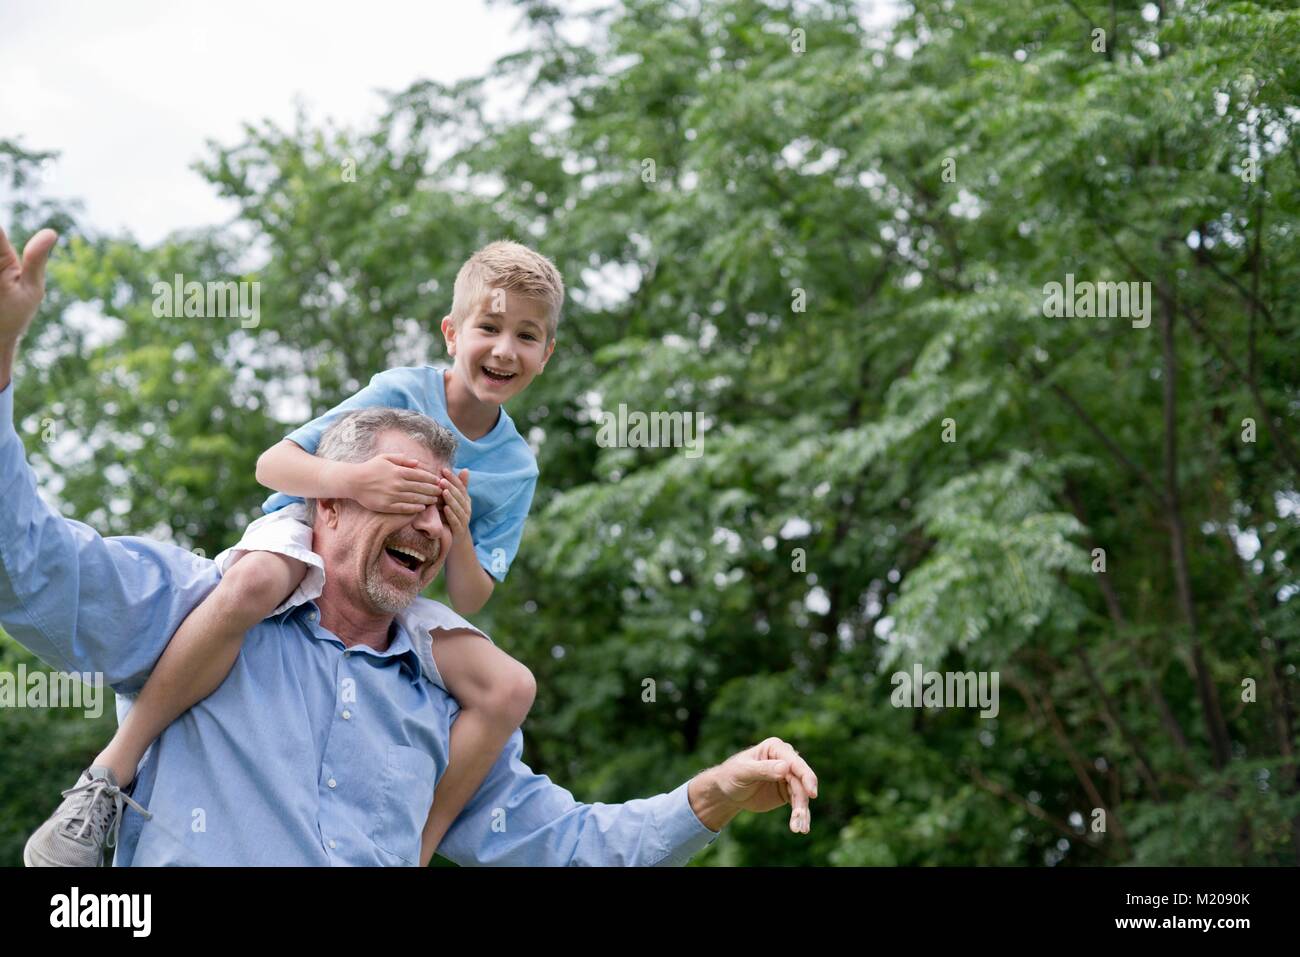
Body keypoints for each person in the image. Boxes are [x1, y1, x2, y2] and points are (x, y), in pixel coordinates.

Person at [1, 226, 818, 866]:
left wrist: (711, 793)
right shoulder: (193, 609)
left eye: (446, 506)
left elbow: (574, 846)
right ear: (332, 497)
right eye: (405, 493)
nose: (429, 521)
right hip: (270, 563)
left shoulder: (444, 706)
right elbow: (24, 564)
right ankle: (106, 777)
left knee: (513, 680)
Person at [27, 239, 567, 865]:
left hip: (393, 578)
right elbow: (273, 466)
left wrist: (460, 528)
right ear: (452, 333)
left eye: (527, 337)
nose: (505, 349)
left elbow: (473, 595)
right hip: (312, 532)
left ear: (546, 354)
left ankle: (415, 852)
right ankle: (108, 776)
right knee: (255, 582)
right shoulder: (397, 390)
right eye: (489, 327)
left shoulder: (516, 467)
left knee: (509, 688)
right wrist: (356, 481)